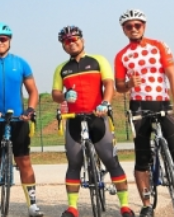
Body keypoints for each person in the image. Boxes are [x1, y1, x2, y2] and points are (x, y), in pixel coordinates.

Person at [114, 9, 174, 217]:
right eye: (129, 26)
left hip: (162, 103)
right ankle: (147, 205)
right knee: (142, 158)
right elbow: (119, 85)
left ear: (144, 26)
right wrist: (128, 84)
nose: (134, 29)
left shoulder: (159, 46)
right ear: (123, 30)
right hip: (138, 106)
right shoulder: (121, 55)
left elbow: (172, 74)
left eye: (137, 25)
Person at [51, 26, 134, 217]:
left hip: (97, 116)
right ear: (63, 46)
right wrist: (64, 96)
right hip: (73, 120)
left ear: (83, 40)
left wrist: (105, 102)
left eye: (75, 39)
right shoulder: (61, 68)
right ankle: (72, 208)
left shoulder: (98, 60)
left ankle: (125, 206)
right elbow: (55, 93)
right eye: (67, 41)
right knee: (74, 163)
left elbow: (109, 84)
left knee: (111, 161)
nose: (71, 43)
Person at [0, 22, 43, 217]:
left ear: (9, 41)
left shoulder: (20, 63)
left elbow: (33, 91)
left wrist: (30, 109)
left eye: (3, 39)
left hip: (18, 118)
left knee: (24, 161)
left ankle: (33, 203)